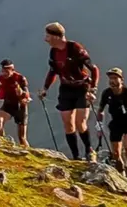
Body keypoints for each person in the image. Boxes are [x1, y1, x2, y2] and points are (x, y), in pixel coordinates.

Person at [38, 22, 100, 161]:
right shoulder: (53, 52)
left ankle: (89, 151)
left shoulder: (75, 48)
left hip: (82, 87)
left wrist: (93, 89)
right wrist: (45, 88)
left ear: (56, 37)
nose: (45, 39)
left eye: (48, 36)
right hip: (66, 88)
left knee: (80, 122)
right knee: (68, 123)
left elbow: (94, 69)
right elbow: (53, 71)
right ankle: (76, 156)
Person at [0, 59, 30, 145]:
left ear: (12, 70)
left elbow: (27, 94)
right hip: (8, 104)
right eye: (3, 71)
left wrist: (21, 93)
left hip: (20, 106)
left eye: (6, 72)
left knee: (22, 137)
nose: (4, 74)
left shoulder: (20, 78)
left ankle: (27, 150)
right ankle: (2, 143)